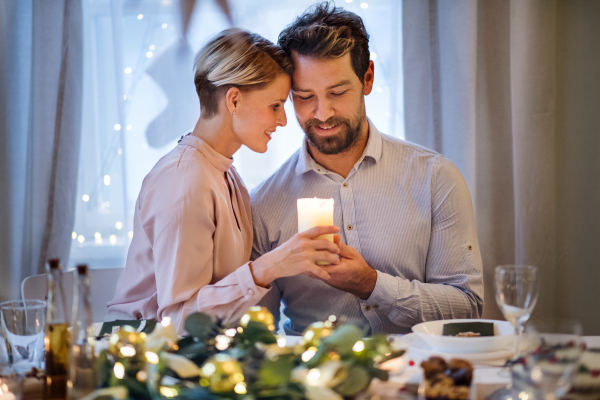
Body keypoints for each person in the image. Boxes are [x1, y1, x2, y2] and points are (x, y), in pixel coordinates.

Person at [251, 3, 484, 335]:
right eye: (304, 96)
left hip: (415, 376)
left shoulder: (436, 179)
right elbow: (257, 333)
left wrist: (373, 284)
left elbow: (468, 307)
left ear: (368, 78)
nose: (322, 113)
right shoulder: (262, 204)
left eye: (338, 92)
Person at [107, 28, 341, 334]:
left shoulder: (224, 174)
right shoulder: (184, 182)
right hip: (143, 357)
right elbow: (178, 321)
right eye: (275, 105)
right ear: (233, 100)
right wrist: (270, 267)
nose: (283, 120)